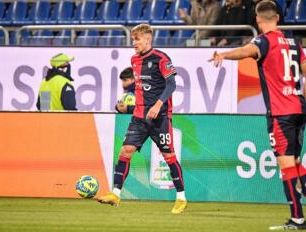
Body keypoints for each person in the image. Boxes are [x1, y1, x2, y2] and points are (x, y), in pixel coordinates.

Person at [209, 0, 306, 229]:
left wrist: (224, 55)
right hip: (300, 109)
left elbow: (246, 51)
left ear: (257, 20)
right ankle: (298, 217)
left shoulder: (263, 41)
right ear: (278, 19)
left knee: (287, 166)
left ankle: (297, 219)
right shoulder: (294, 41)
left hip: (280, 113)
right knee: (294, 162)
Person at [98, 24, 187, 214]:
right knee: (125, 151)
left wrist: (158, 105)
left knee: (169, 156)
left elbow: (171, 85)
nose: (134, 43)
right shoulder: (134, 60)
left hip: (160, 117)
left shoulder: (161, 58)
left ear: (148, 39)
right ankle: (115, 194)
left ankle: (181, 198)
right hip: (139, 118)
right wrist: (129, 108)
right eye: (133, 40)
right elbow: (142, 92)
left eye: (137, 39)